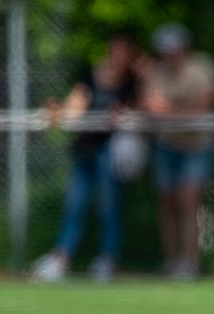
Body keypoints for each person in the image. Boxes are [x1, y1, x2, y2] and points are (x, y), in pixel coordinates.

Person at [31, 29, 141, 283]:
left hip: (110, 152)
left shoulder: (133, 83)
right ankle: (61, 258)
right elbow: (74, 107)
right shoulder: (90, 75)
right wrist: (58, 113)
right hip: (84, 149)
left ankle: (108, 259)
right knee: (75, 204)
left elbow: (139, 110)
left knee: (108, 205)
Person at [140, 22, 214, 280]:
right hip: (167, 146)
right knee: (167, 202)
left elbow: (202, 107)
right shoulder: (156, 72)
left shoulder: (201, 68)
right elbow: (150, 107)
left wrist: (167, 110)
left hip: (197, 146)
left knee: (188, 200)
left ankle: (190, 262)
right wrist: (174, 112)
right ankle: (172, 261)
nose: (168, 56)